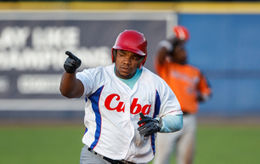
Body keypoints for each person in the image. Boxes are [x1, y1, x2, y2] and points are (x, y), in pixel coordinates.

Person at [59, 29, 183, 164]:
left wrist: (160, 124)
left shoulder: (156, 84)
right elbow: (69, 91)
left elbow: (177, 118)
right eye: (122, 54)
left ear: (142, 59)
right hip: (97, 157)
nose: (126, 61)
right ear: (114, 54)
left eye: (134, 57)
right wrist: (70, 72)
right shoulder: (98, 76)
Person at [153, 26, 212, 164]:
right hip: (169, 117)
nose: (183, 52)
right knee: (162, 158)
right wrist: (174, 39)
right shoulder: (167, 67)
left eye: (184, 49)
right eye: (179, 50)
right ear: (172, 54)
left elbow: (207, 92)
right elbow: (161, 54)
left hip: (189, 119)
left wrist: (197, 97)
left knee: (186, 160)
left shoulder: (194, 72)